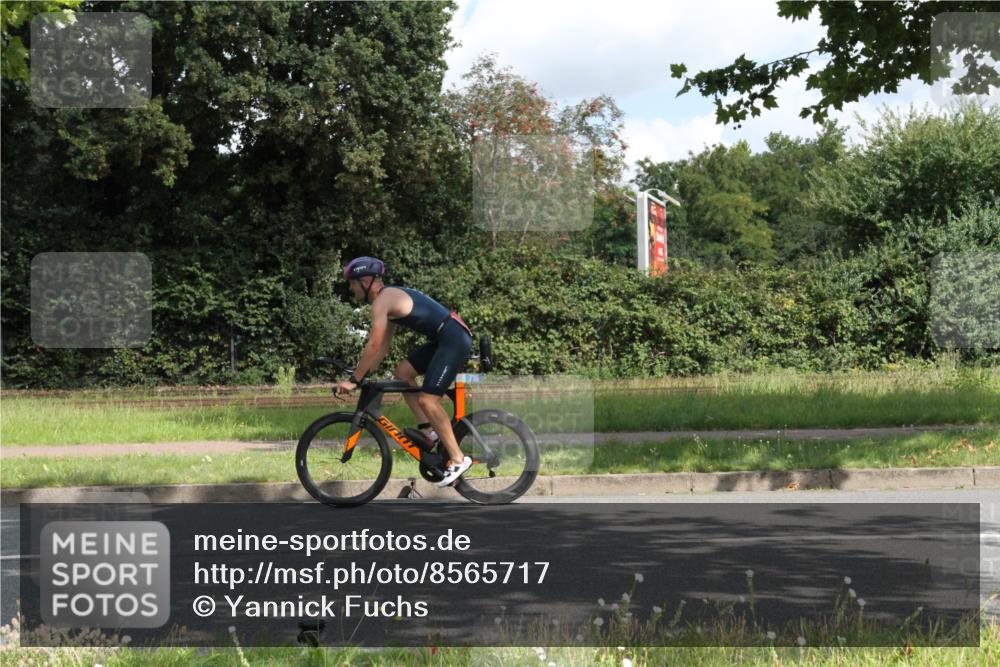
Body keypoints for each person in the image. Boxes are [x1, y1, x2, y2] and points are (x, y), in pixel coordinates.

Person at [335, 256, 474, 487]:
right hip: (444, 337)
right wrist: (363, 375)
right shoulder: (387, 300)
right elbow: (383, 348)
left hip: (453, 338)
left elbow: (375, 344)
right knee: (403, 372)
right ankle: (430, 432)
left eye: (352, 282)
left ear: (365, 280)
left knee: (428, 400)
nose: (351, 288)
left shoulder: (382, 302)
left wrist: (354, 380)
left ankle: (458, 459)